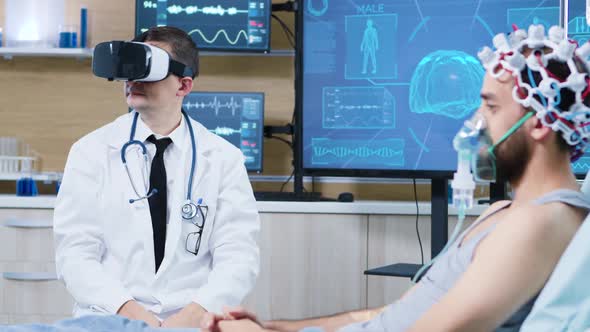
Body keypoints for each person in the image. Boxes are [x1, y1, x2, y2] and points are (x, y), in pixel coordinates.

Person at [199, 24, 590, 332]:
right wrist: (276, 327)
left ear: (539, 122)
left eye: (489, 105)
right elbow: (392, 315)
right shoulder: (507, 212)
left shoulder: (541, 222)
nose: (475, 122)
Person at [53, 26, 260, 328]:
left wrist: (189, 317)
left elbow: (239, 259)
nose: (135, 79)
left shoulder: (223, 159)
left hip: (195, 320)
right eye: (133, 67)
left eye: (150, 68)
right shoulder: (90, 151)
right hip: (109, 318)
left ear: (183, 86)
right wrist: (132, 314)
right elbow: (75, 255)